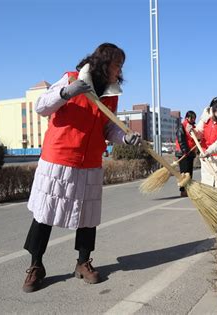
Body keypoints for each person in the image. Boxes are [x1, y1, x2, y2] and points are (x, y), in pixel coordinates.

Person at [22, 43, 141, 293]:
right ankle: (36, 266)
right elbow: (42, 106)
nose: (120, 69)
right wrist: (66, 92)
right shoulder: (71, 78)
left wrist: (125, 137)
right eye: (117, 63)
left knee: (87, 216)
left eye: (121, 65)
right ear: (103, 62)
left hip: (90, 161)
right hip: (59, 158)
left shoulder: (111, 93)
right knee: (45, 214)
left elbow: (109, 128)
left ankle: (83, 262)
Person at [175, 111, 197, 197]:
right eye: (191, 118)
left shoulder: (193, 127)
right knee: (184, 173)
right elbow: (181, 140)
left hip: (191, 152)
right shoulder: (182, 126)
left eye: (194, 118)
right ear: (187, 118)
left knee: (189, 172)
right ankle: (183, 190)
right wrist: (185, 150)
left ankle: (189, 189)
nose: (193, 119)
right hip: (183, 153)